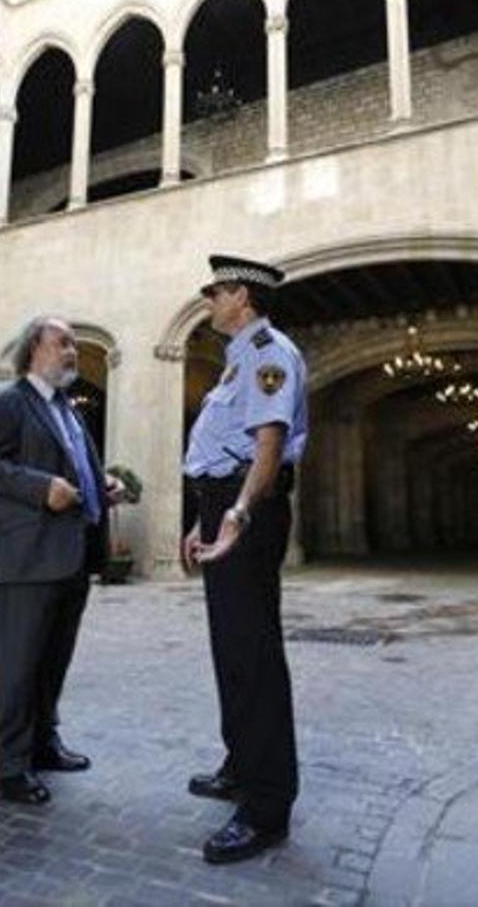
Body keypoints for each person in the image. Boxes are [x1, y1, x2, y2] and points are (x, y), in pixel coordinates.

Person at [182, 254, 308, 865]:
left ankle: (266, 808)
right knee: (230, 649)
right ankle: (241, 766)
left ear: (242, 298)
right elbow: (219, 447)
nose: (209, 301)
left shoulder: (267, 352)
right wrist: (202, 516)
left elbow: (268, 444)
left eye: (215, 292)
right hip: (223, 502)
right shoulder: (239, 359)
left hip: (246, 511)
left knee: (252, 654)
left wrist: (235, 515)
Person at [0, 315, 123, 805]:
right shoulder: (3, 402)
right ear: (34, 348)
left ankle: (41, 745)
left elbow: (75, 469)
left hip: (72, 555)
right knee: (16, 665)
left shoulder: (70, 410)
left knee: (52, 661)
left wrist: (104, 488)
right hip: (24, 558)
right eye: (64, 342)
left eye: (74, 344)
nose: (72, 351)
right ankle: (7, 767)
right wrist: (42, 489)